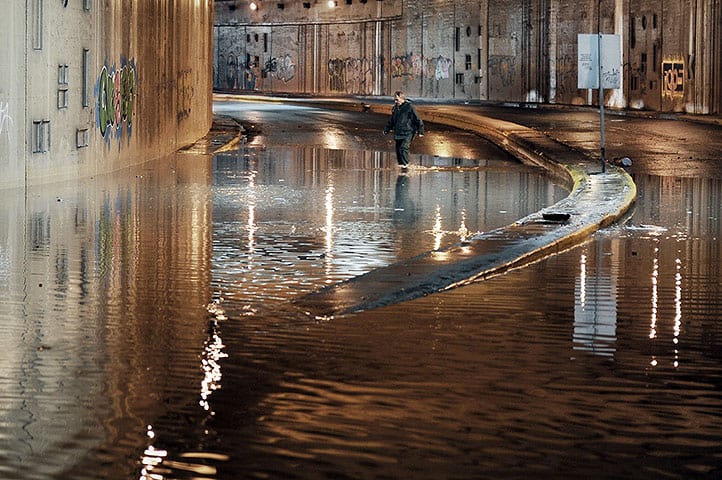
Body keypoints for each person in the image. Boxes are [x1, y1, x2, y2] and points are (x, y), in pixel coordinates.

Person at [383, 91, 424, 168]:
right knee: (398, 150)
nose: (395, 101)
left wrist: (420, 130)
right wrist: (387, 129)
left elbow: (418, 119)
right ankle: (401, 165)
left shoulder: (409, 107)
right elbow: (392, 120)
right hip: (398, 132)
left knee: (403, 147)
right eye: (394, 100)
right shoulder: (395, 108)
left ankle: (406, 164)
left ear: (402, 99)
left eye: (397, 100)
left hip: (408, 132)